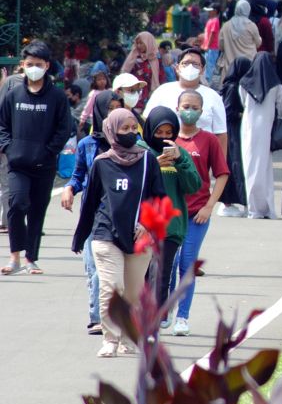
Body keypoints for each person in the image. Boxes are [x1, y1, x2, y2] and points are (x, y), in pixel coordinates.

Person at [70, 108, 167, 356]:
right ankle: (110, 339)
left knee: (133, 294)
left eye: (134, 128)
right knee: (113, 288)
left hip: (138, 238)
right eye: (124, 129)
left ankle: (128, 338)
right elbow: (90, 202)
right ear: (112, 130)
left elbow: (160, 199)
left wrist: (148, 224)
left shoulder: (147, 161)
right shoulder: (102, 163)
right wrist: (80, 237)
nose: (131, 133)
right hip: (105, 234)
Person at [0, 42, 74, 275]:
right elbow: (2, 125)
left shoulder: (57, 96)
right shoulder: (13, 94)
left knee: (37, 211)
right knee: (17, 204)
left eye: (38, 65)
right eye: (29, 64)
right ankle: (15, 258)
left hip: (44, 164)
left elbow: (64, 128)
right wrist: (8, 148)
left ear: (47, 66)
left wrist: (49, 151)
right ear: (22, 66)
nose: (34, 68)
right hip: (17, 164)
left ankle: (31, 258)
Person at [170, 88, 231, 336]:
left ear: (202, 112)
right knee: (167, 264)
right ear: (177, 108)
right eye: (186, 106)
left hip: (197, 215)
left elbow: (222, 174)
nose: (190, 111)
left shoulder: (208, 140)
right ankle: (164, 312)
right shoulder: (169, 139)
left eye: (195, 108)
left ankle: (182, 317)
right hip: (171, 215)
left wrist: (209, 206)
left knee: (186, 265)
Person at [62, 90, 120, 332]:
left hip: (120, 213)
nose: (113, 114)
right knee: (93, 267)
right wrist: (68, 189)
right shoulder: (87, 144)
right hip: (93, 213)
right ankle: (98, 317)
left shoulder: (129, 143)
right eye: (109, 108)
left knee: (116, 270)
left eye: (118, 108)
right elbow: (78, 176)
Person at [142, 106, 200, 320]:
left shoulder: (179, 153)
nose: (164, 138)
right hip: (143, 225)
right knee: (142, 274)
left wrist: (180, 161)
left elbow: (193, 186)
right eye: (159, 133)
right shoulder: (142, 152)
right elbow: (135, 182)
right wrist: (153, 166)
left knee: (162, 274)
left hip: (171, 227)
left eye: (169, 133)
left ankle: (155, 319)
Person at [144, 47, 228, 157]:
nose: (190, 67)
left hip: (202, 160)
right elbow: (146, 123)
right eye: (186, 63)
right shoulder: (162, 91)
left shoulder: (213, 96)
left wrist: (219, 168)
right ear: (177, 68)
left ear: (202, 70)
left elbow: (221, 134)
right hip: (165, 159)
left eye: (195, 64)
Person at [239, 53, 282, 218]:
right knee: (265, 167)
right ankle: (267, 208)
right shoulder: (275, 84)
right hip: (267, 128)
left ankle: (253, 208)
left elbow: (243, 102)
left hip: (249, 127)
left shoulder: (244, 83)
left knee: (250, 164)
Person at [216, 58, 251, 216]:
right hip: (232, 132)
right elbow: (229, 112)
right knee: (235, 164)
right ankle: (230, 201)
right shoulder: (233, 87)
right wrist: (243, 114)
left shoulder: (229, 85)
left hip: (230, 130)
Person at [218, 0, 262, 82]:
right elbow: (258, 43)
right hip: (249, 66)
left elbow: (220, 46)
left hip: (230, 67)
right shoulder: (251, 25)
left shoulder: (226, 26)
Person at [120, 31, 164, 110]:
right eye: (137, 43)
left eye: (141, 43)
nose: (139, 46)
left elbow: (161, 75)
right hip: (136, 91)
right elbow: (125, 74)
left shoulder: (156, 58)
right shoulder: (133, 56)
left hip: (151, 90)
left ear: (148, 43)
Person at [201, 6, 222, 85]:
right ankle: (206, 80)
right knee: (206, 64)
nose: (208, 12)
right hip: (209, 47)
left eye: (210, 10)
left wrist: (207, 45)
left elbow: (212, 34)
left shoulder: (215, 21)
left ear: (215, 11)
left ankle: (208, 82)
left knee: (210, 65)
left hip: (212, 47)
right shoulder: (210, 20)